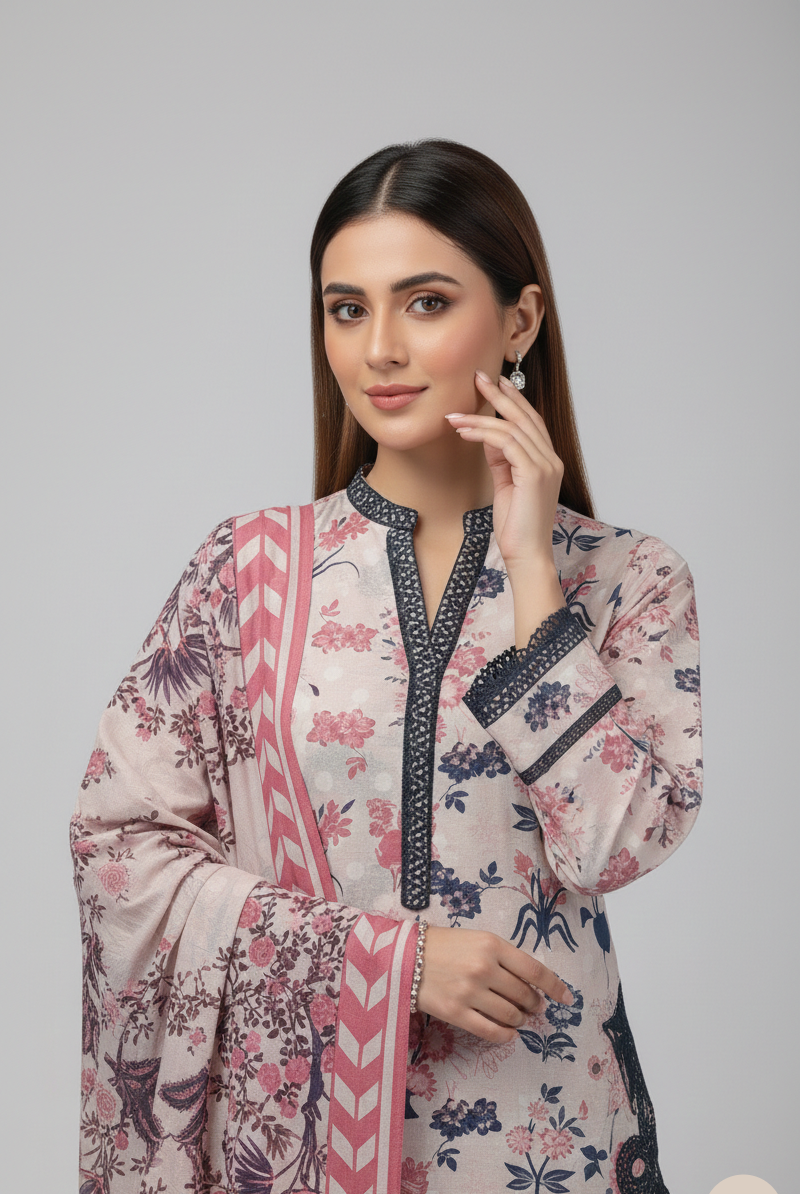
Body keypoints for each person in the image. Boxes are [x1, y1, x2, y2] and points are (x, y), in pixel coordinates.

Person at [71, 139, 702, 1194]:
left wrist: (531, 567)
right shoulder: (246, 572)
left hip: (547, 1137)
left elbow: (612, 844)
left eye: (425, 302)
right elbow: (118, 848)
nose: (379, 350)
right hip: (299, 1137)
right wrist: (388, 963)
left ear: (520, 320)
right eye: (346, 309)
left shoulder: (626, 579)